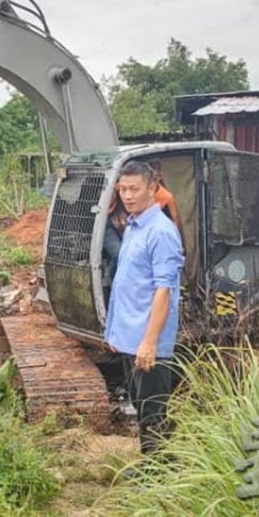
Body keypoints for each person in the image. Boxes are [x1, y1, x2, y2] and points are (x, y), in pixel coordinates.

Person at [104, 160, 184, 454]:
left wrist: (149, 343)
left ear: (152, 189)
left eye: (134, 189)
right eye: (123, 189)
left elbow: (165, 290)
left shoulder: (161, 232)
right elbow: (125, 283)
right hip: (128, 339)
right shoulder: (133, 226)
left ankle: (157, 481)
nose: (127, 196)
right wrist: (114, 333)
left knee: (152, 414)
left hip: (147, 343)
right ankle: (154, 468)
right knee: (140, 407)